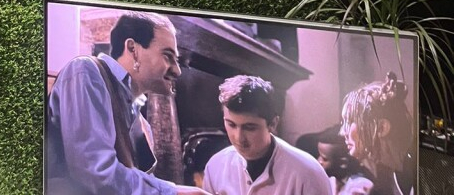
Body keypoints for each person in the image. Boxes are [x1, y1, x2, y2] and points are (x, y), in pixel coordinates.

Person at [47, 11, 206, 195]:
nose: (177, 71)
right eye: (167, 56)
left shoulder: (142, 123)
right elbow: (94, 172)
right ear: (132, 49)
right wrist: (173, 192)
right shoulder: (85, 71)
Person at [203, 75, 332, 195]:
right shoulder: (215, 166)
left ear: (273, 124)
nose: (239, 138)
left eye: (250, 128)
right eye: (231, 125)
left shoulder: (307, 173)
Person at [340, 74, 415, 195]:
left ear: (382, 128)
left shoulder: (419, 178)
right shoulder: (389, 174)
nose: (343, 132)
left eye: (350, 121)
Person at [317, 126, 369, 194]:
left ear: (343, 163)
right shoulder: (332, 179)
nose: (319, 161)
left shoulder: (359, 186)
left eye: (324, 159)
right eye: (319, 155)